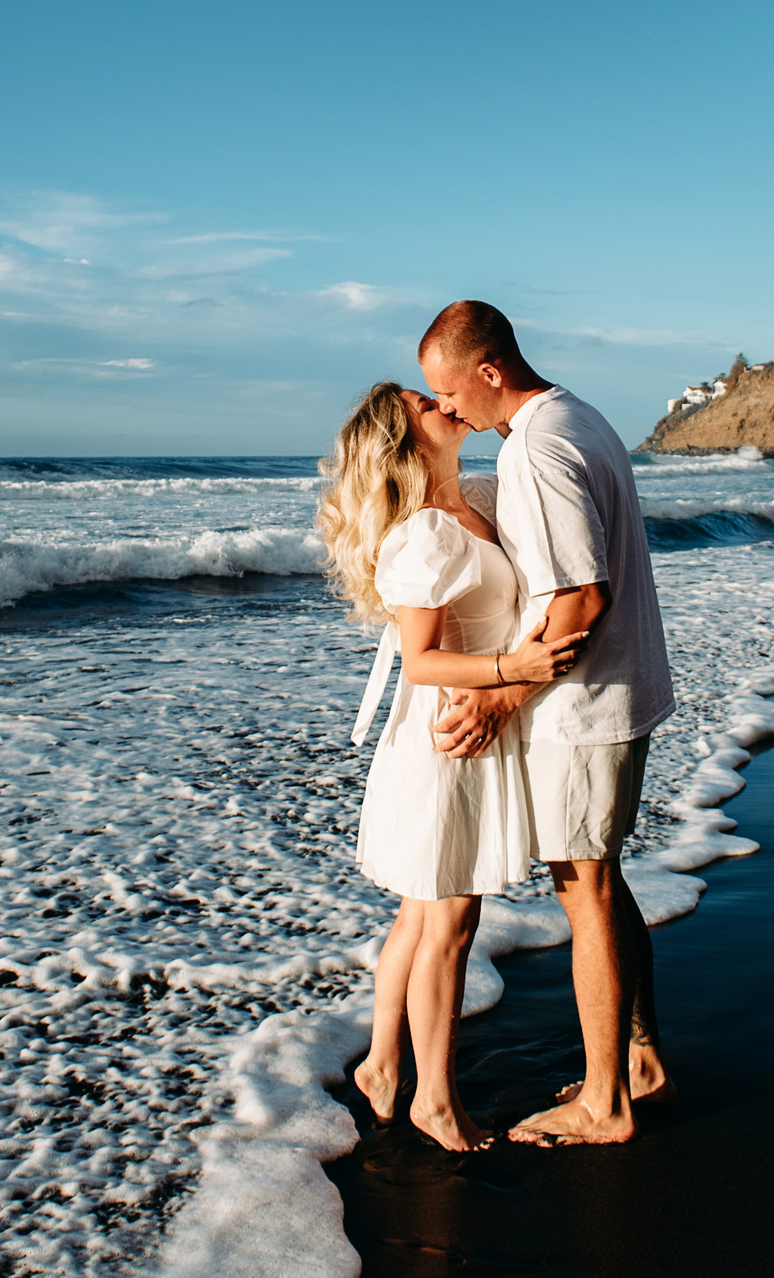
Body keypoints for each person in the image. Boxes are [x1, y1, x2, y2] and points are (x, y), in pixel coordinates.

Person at [418, 300, 677, 1146]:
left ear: (489, 372)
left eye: (449, 393)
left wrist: (498, 697)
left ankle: (605, 1102)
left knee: (586, 889)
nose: (448, 411)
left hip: (585, 703)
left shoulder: (537, 446)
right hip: (618, 690)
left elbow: (579, 596)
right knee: (601, 877)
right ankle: (636, 1060)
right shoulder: (579, 415)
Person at [315, 379, 584, 1152]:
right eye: (424, 403)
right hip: (444, 741)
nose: (443, 400)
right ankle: (435, 1098)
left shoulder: (476, 497)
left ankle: (383, 1065)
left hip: (466, 732)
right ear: (406, 441)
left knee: (419, 912)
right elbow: (423, 660)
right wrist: (516, 667)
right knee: (450, 919)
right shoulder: (425, 532)